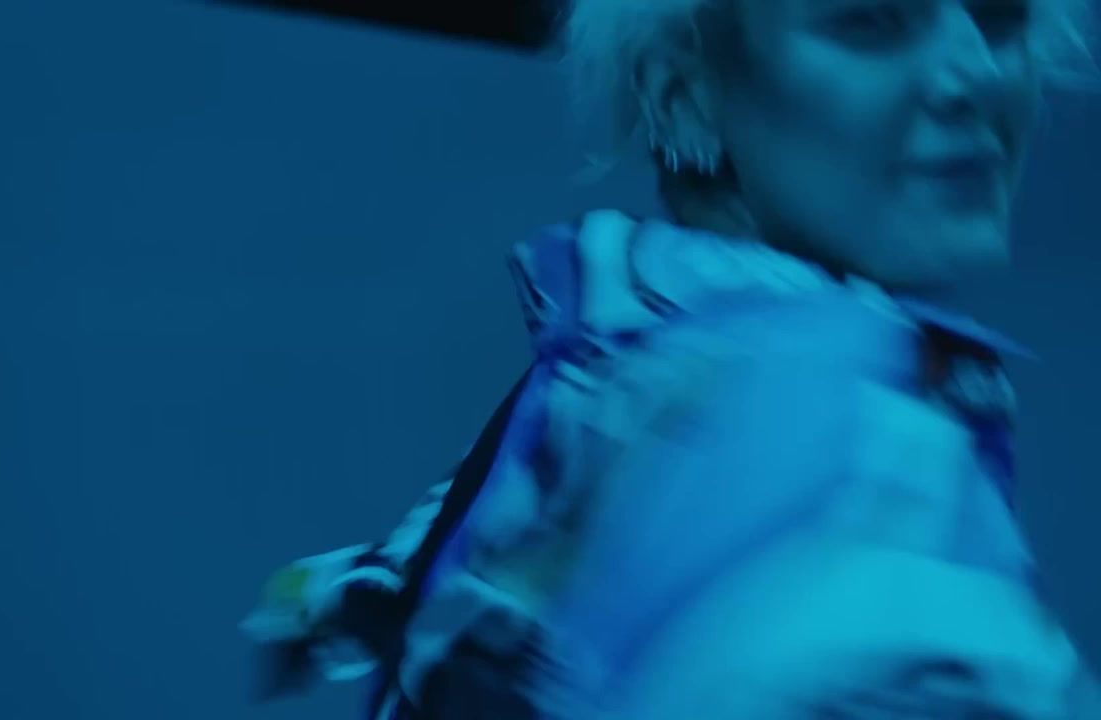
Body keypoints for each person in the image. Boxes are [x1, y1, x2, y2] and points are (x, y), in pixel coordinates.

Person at [243, 0, 1098, 717]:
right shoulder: (835, 418)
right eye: (868, 20)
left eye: (1000, 14)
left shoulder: (610, 373)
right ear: (682, 95)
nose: (974, 73)